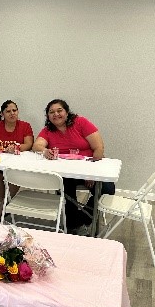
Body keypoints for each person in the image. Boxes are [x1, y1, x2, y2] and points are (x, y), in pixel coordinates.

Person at [32, 98, 114, 235]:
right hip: (66, 172)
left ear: (67, 112)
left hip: (88, 169)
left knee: (107, 188)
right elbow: (36, 145)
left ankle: (85, 217)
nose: (56, 114)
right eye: (51, 112)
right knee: (63, 186)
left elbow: (99, 148)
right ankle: (72, 225)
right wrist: (45, 151)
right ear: (48, 116)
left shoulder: (80, 122)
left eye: (59, 110)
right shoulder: (48, 130)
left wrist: (90, 173)